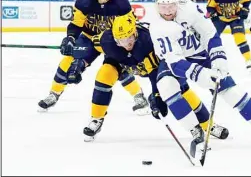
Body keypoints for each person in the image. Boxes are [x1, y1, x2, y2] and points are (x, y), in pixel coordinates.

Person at [149, 0, 251, 156]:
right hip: (176, 61)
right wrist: (203, 75)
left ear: (178, 2)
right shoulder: (158, 27)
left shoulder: (189, 8)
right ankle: (195, 131)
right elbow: (175, 64)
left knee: (230, 91)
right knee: (166, 85)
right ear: (156, 5)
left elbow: (209, 33)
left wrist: (219, 58)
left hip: (200, 54)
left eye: (171, 5)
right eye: (163, 6)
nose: (167, 11)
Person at [66, 11, 229, 142]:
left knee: (181, 88)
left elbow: (154, 73)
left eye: (128, 38)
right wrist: (79, 63)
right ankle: (96, 119)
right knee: (104, 75)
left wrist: (156, 96)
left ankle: (208, 125)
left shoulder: (147, 43)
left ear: (134, 33)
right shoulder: (107, 40)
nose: (125, 44)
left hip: (150, 67)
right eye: (119, 40)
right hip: (121, 63)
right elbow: (89, 48)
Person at [38, 0, 149, 115]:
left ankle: (138, 96)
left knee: (118, 68)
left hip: (112, 41)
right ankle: (54, 93)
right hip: (89, 37)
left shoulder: (121, 3)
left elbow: (130, 27)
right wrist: (70, 38)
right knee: (68, 61)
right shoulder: (85, 1)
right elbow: (76, 24)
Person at [207, 0, 251, 71]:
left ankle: (248, 60)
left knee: (239, 38)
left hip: (236, 18)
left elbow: (247, 1)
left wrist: (244, 10)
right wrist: (213, 14)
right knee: (212, 38)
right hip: (221, 19)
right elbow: (210, 7)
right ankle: (207, 60)